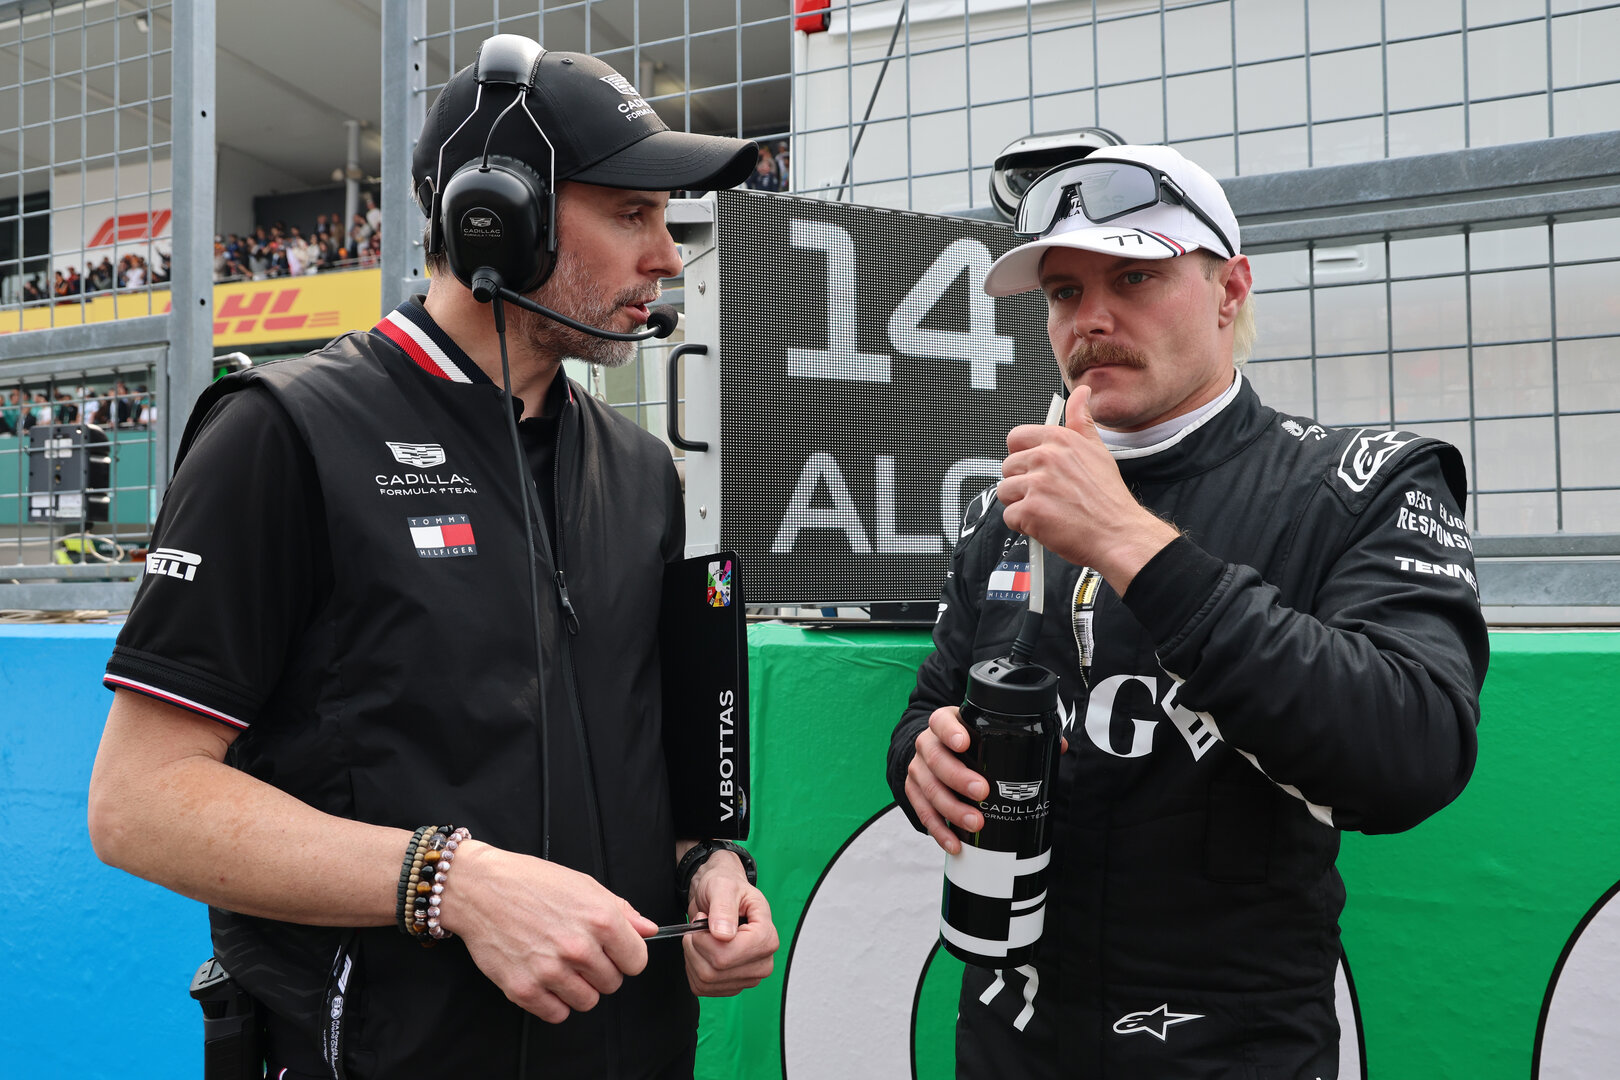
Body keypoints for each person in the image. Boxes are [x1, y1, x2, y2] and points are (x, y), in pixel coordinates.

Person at [88, 35, 776, 1079]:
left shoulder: (643, 471)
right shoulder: (282, 433)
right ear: (498, 217)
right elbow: (140, 804)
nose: (669, 257)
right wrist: (451, 882)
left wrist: (709, 866)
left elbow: (660, 758)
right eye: (632, 214)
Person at [887, 144, 1488, 1078]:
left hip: (1228, 1053)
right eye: (1064, 292)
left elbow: (1416, 750)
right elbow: (931, 706)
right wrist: (921, 762)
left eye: (1134, 277)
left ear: (1228, 290)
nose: (1092, 319)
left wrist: (1135, 545)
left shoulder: (1358, 484)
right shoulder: (1005, 506)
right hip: (1009, 1044)